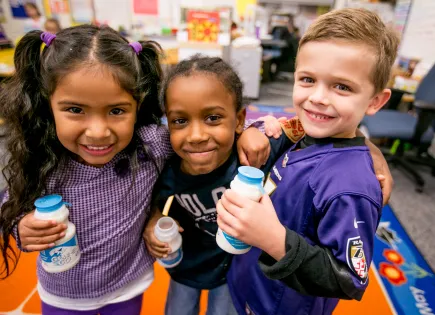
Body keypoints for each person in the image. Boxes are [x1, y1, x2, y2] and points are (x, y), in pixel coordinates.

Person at [0, 26, 267, 315]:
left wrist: (253, 130)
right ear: (47, 104)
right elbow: (11, 204)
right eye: (75, 110)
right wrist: (20, 227)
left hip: (128, 287)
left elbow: (202, 136)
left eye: (116, 111)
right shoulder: (44, 158)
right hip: (64, 295)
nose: (98, 132)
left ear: (136, 106)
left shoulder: (148, 145)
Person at [143, 55, 393, 315]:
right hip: (187, 266)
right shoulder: (167, 166)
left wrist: (372, 153)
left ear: (239, 120)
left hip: (233, 270)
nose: (196, 136)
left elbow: (317, 127)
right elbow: (152, 199)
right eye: (180, 121)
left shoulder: (254, 153)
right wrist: (154, 218)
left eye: (213, 118)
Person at [217, 8, 400, 315]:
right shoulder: (306, 130)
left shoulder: (351, 188)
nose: (318, 97)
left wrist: (275, 239)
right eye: (307, 79)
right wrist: (254, 132)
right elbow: (278, 131)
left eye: (341, 86)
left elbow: (349, 281)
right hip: (252, 284)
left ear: (375, 102)